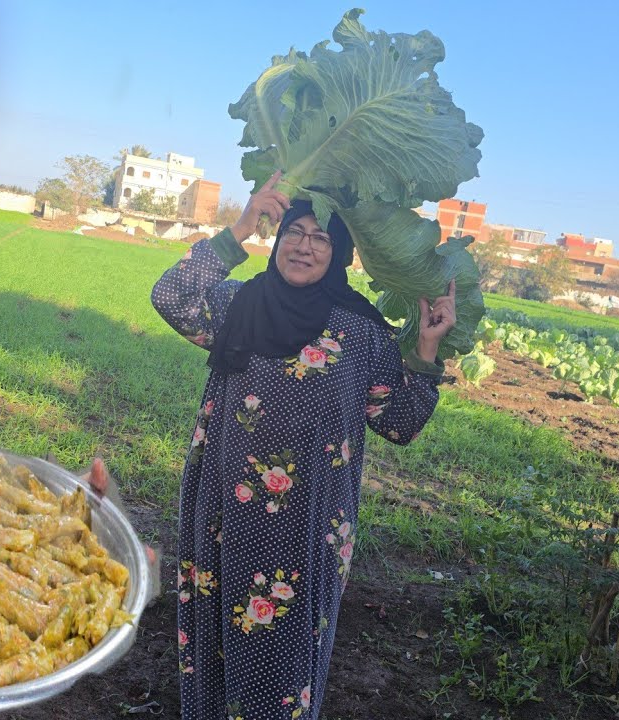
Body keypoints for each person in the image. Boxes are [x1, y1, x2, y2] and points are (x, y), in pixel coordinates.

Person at [151, 171, 456, 720]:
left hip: (309, 527)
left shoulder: (362, 332)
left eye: (321, 238)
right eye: (294, 231)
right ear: (277, 238)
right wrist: (240, 227)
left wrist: (427, 350)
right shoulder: (238, 303)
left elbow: (401, 423)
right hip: (225, 511)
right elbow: (170, 296)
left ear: (340, 254)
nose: (304, 246)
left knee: (287, 653)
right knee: (215, 631)